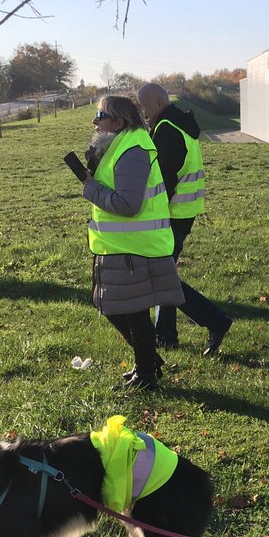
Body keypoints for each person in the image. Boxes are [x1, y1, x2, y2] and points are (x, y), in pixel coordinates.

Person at [80, 95, 183, 391]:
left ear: (118, 122)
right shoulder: (121, 145)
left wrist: (90, 189)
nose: (94, 121)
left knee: (133, 312)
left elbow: (128, 204)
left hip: (134, 247)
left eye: (100, 115)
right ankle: (148, 362)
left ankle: (147, 372)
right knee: (113, 305)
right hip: (118, 245)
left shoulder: (133, 150)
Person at [136, 82, 233, 356]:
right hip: (183, 212)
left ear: (157, 102)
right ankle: (165, 335)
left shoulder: (167, 130)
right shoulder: (178, 123)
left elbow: (164, 180)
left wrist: (148, 216)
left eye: (143, 106)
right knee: (164, 274)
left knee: (161, 277)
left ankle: (216, 321)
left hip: (170, 215)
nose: (142, 112)